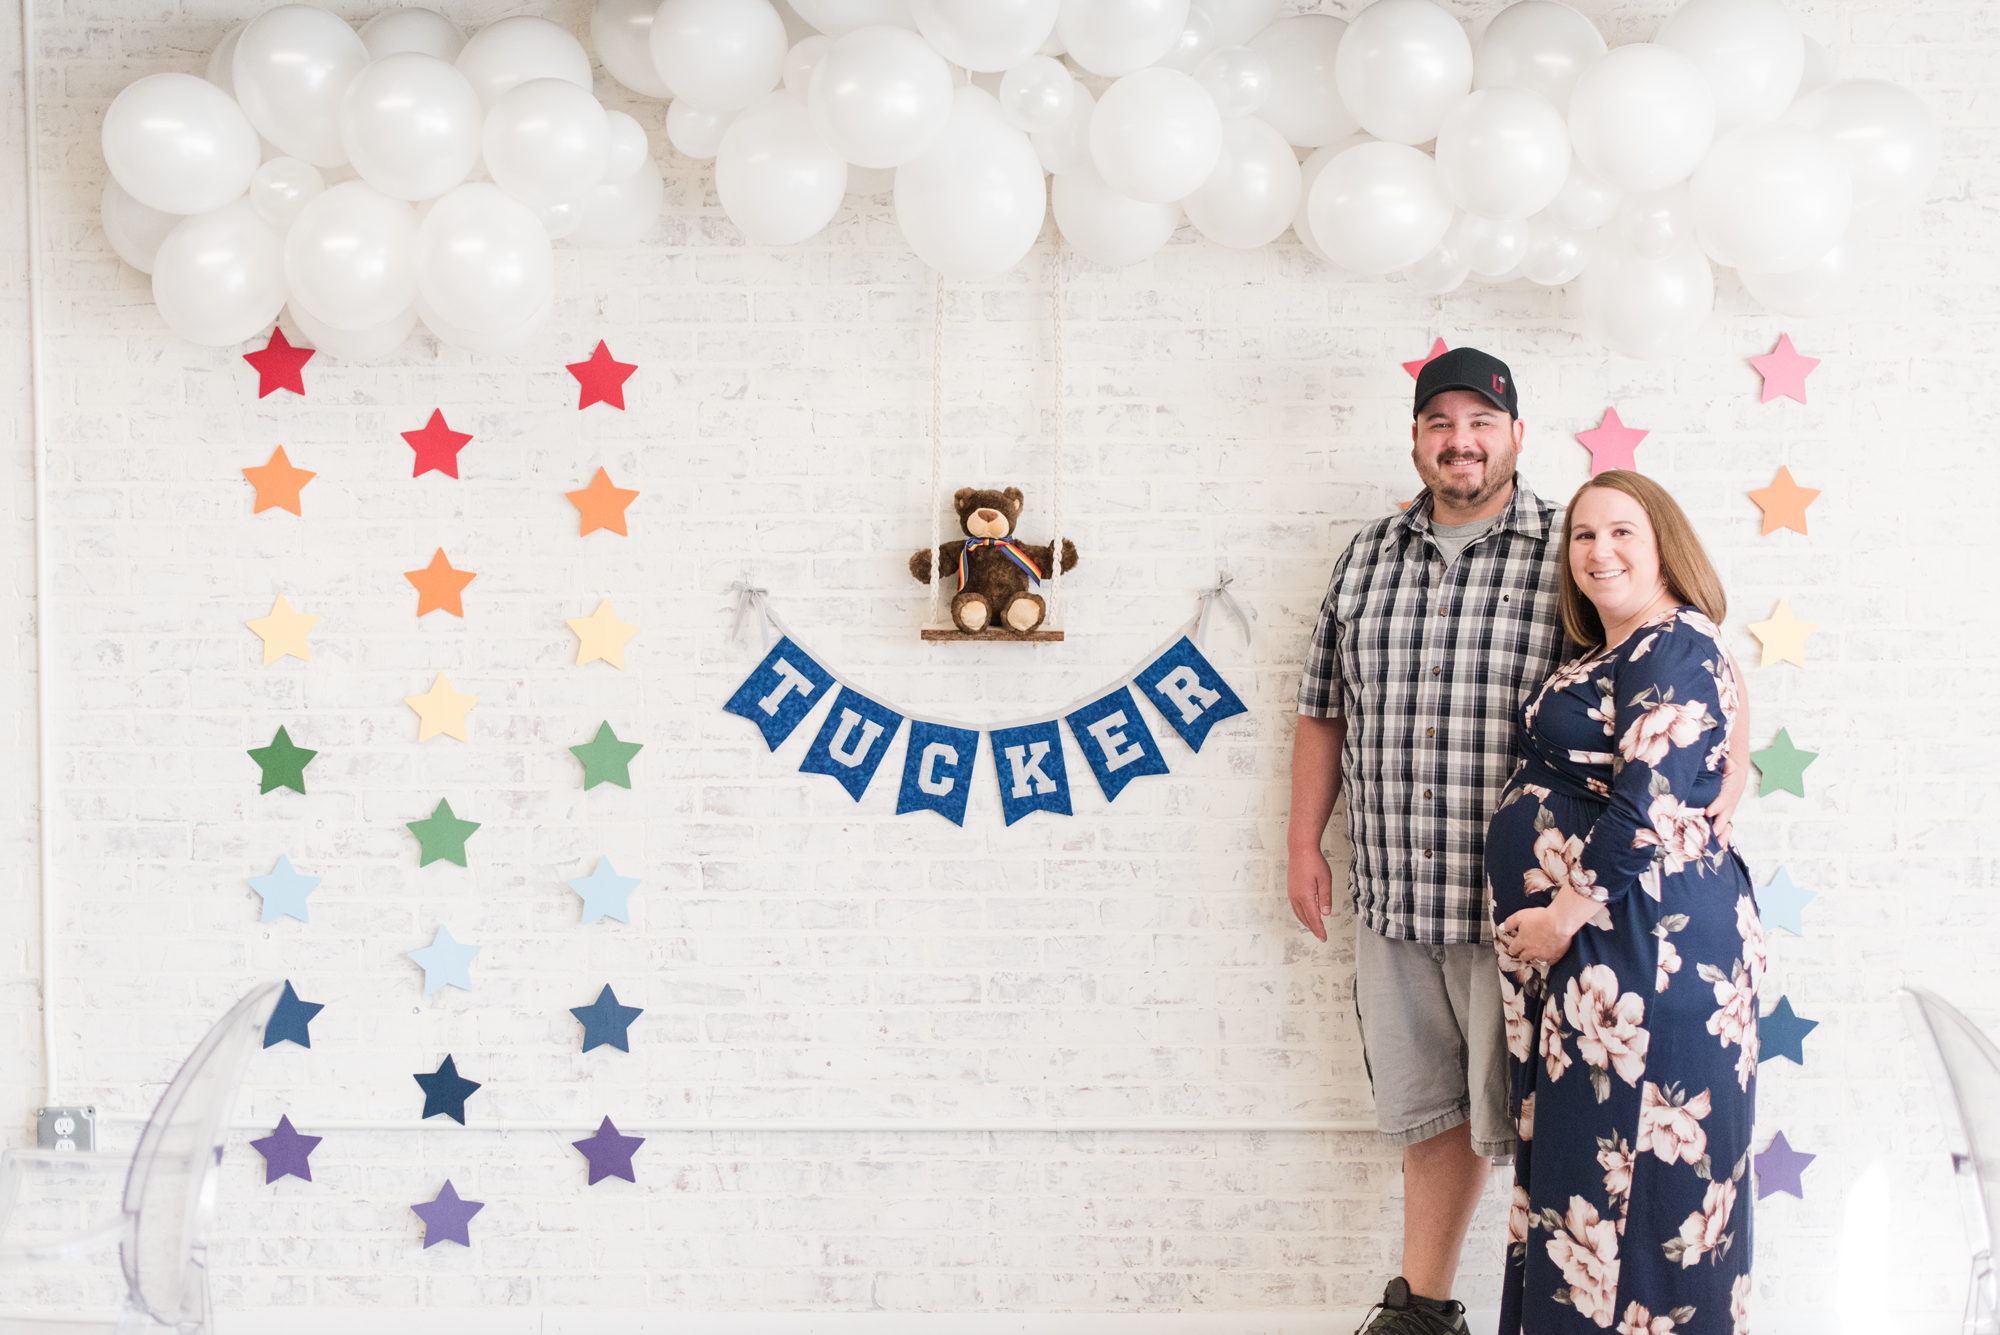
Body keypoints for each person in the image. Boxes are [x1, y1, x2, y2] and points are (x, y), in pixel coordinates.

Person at [1287, 349, 1747, 1335]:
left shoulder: (1562, 549)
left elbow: (1680, 663)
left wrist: (1732, 759)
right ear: (1414, 437)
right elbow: (1320, 708)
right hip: (1400, 891)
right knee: (1457, 1126)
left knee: (1583, 1150)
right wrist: (1302, 843)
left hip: (1554, 923)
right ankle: (1422, 1309)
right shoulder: (1366, 557)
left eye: (1479, 422)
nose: (1459, 441)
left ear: (1514, 435)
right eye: (1437, 423)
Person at [1488, 471, 1760, 1335]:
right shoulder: (1619, 651)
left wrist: (1561, 917)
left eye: (1622, 533)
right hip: (1608, 959)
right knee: (1589, 1198)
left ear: (1664, 546)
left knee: (1641, 1205)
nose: (1599, 552)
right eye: (1583, 537)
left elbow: (1645, 805)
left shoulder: (1673, 642)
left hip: (1649, 952)